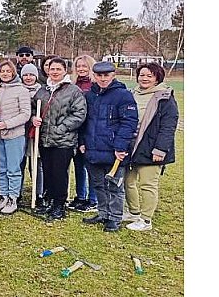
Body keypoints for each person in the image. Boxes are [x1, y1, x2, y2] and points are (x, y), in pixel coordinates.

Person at [79, 61, 139, 232]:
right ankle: (103, 213)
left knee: (114, 186)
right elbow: (85, 122)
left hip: (114, 151)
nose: (103, 78)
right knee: (98, 184)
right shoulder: (90, 95)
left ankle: (114, 218)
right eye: (99, 75)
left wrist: (120, 147)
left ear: (113, 75)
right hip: (92, 148)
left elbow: (129, 123)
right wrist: (82, 142)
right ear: (94, 76)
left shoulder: (123, 95)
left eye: (106, 75)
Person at [124, 62, 178, 231]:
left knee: (148, 184)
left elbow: (168, 126)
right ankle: (134, 212)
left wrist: (160, 149)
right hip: (131, 146)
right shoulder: (132, 94)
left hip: (151, 147)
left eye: (149, 75)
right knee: (128, 181)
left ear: (157, 78)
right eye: (142, 75)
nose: (144, 78)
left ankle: (146, 220)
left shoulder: (165, 97)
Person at [31, 57, 87, 221]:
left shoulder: (73, 91)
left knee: (59, 173)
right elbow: (34, 107)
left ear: (65, 71)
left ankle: (59, 205)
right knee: (47, 171)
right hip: (44, 139)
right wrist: (34, 118)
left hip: (64, 140)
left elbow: (79, 114)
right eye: (52, 69)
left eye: (58, 69)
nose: (54, 72)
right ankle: (49, 201)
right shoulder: (43, 90)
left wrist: (61, 128)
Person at [0, 59, 32, 214]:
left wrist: (7, 123)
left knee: (13, 168)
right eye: (2, 71)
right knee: (0, 167)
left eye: (8, 71)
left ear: (13, 72)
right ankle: (3, 196)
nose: (5, 74)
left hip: (14, 135)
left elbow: (25, 114)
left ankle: (13, 198)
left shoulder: (21, 90)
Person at [70, 54, 99, 213]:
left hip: (89, 130)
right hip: (75, 131)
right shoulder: (73, 84)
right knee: (78, 165)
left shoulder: (94, 86)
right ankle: (80, 196)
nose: (81, 69)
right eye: (78, 66)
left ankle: (93, 199)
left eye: (84, 66)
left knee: (90, 167)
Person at [19, 63, 45, 208]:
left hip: (36, 133)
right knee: (19, 163)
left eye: (31, 75)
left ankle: (38, 193)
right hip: (20, 132)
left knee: (37, 164)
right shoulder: (17, 90)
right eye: (26, 75)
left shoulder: (42, 91)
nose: (28, 78)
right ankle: (17, 192)